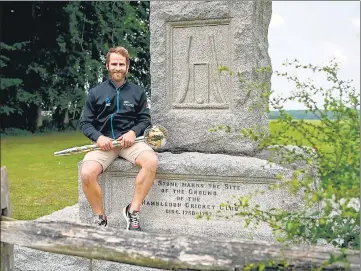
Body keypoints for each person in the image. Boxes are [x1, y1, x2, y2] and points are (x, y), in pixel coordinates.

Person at [79, 46, 158, 231]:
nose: (117, 67)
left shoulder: (138, 92)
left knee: (152, 161)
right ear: (107, 65)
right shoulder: (95, 93)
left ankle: (133, 211)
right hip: (104, 144)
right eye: (114, 64)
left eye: (121, 64)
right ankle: (100, 217)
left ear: (127, 67)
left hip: (130, 143)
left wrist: (133, 132)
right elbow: (85, 123)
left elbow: (145, 119)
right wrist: (98, 138)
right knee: (86, 173)